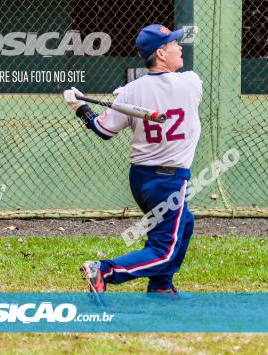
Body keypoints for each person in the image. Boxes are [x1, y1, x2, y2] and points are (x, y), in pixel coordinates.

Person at [64, 24, 202, 299]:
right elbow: (165, 89)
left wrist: (80, 107)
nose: (179, 47)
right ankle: (104, 270)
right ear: (161, 53)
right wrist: (131, 92)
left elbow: (104, 131)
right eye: (174, 44)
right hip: (169, 180)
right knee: (164, 250)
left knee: (185, 222)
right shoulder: (191, 82)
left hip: (142, 178)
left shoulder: (130, 92)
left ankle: (161, 286)